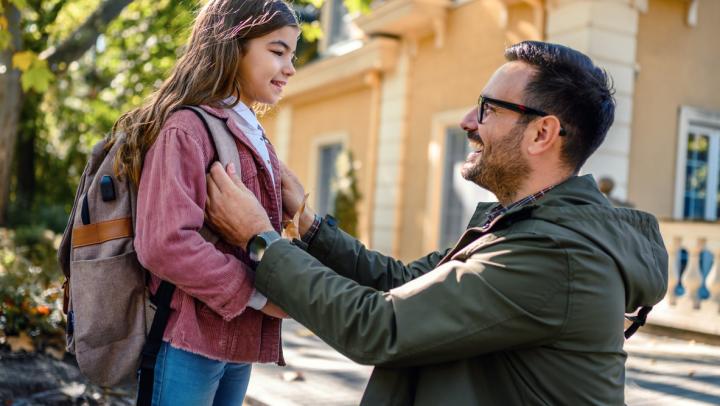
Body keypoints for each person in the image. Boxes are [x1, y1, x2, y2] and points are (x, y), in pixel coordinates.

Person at [205, 41, 668, 405]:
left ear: (542, 133)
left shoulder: (555, 255)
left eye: (488, 108)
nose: (469, 121)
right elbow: (404, 282)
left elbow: (380, 326)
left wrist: (260, 241)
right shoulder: (519, 224)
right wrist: (307, 226)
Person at [109, 0, 298, 404]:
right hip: (188, 341)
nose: (290, 68)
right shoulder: (186, 130)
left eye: (292, 55)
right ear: (233, 45)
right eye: (277, 51)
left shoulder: (253, 132)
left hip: (238, 338)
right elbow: (165, 243)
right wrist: (261, 294)